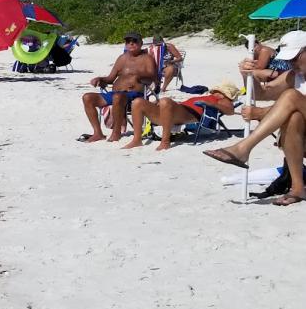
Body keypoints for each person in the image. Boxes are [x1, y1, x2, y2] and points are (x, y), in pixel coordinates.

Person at [204, 31, 306, 205]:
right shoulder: (294, 76)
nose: (292, 63)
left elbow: (289, 100)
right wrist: (247, 75)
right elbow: (262, 93)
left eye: (295, 58)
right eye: (289, 60)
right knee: (293, 117)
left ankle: (243, 148)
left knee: (291, 96)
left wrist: (260, 113)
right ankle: (298, 188)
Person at [79, 32, 157, 143]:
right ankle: (98, 133)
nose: (131, 44)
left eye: (134, 41)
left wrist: (139, 75)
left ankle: (116, 132)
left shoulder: (146, 58)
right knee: (87, 97)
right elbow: (110, 79)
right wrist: (100, 79)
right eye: (128, 42)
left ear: (141, 43)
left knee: (117, 97)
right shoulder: (122, 58)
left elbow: (153, 76)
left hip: (134, 94)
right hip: (116, 94)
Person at [122, 81, 240, 151]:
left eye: (219, 91)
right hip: (174, 111)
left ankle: (165, 141)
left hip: (189, 115)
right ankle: (136, 140)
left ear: (224, 94)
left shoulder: (223, 101)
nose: (215, 92)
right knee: (138, 102)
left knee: (165, 101)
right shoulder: (209, 96)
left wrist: (211, 104)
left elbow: (230, 111)